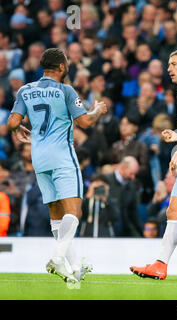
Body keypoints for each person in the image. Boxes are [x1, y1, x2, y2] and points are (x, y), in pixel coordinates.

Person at [7, 48, 108, 284]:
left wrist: (17, 128)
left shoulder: (25, 89)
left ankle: (73, 269)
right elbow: (85, 121)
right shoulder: (65, 90)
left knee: (56, 214)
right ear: (62, 67)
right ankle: (56, 257)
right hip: (62, 156)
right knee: (74, 211)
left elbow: (12, 121)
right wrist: (98, 110)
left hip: (39, 159)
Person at [130, 49, 177, 280]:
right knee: (175, 211)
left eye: (173, 64)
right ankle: (161, 265)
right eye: (168, 64)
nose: (168, 69)